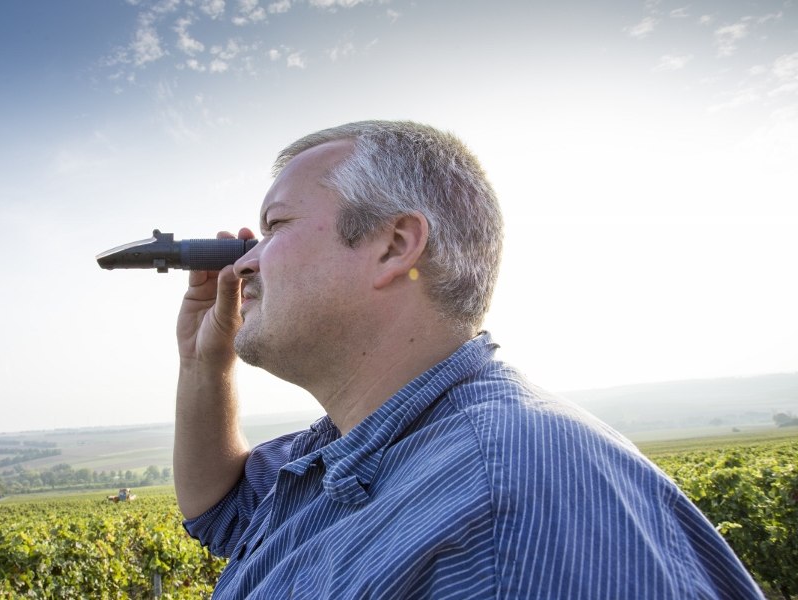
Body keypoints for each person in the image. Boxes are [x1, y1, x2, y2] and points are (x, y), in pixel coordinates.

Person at [174, 120, 763, 599]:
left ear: (395, 246)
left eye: (275, 227)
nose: (242, 266)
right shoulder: (367, 446)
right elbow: (222, 511)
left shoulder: (506, 504)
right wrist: (202, 363)